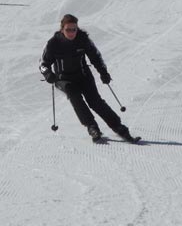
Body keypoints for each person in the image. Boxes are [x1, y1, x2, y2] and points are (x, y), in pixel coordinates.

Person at [39, 14, 139, 143]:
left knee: (95, 101)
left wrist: (103, 72)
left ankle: (119, 127)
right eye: (68, 29)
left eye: (74, 29)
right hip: (63, 79)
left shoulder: (83, 39)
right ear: (62, 29)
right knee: (75, 96)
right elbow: (43, 64)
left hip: (83, 75)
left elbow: (95, 56)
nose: (71, 33)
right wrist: (48, 74)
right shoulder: (53, 43)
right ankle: (91, 127)